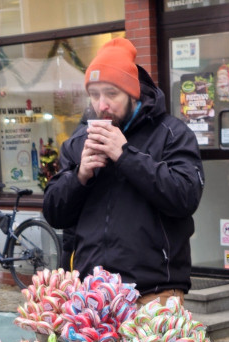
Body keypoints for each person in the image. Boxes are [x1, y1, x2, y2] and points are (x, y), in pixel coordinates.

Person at [42, 37, 204, 302]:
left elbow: (185, 198)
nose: (101, 104)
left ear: (133, 93)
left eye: (111, 94)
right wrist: (80, 176)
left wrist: (125, 155)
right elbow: (55, 214)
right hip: (93, 295)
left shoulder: (172, 134)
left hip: (153, 291)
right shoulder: (79, 140)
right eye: (94, 95)